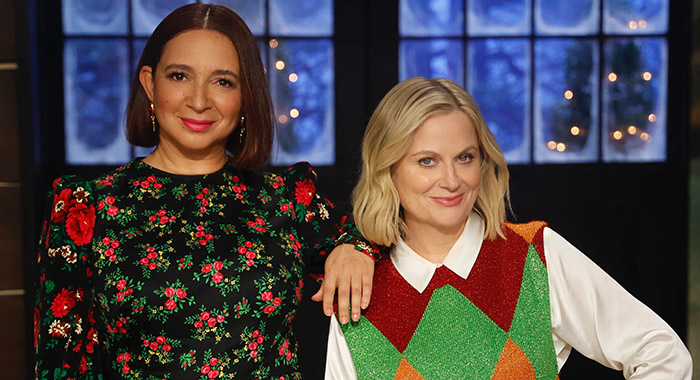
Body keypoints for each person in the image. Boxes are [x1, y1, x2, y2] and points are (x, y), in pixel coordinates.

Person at [34, 4, 377, 380]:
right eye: (179, 76)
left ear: (246, 95)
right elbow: (61, 364)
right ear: (150, 83)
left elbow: (390, 233)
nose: (199, 101)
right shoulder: (88, 207)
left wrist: (355, 246)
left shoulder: (285, 200)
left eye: (223, 81)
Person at [324, 77, 692, 379]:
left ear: (482, 162)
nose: (451, 180)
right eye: (427, 161)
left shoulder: (534, 255)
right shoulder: (359, 288)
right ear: (388, 170)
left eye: (465, 158)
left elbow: (662, 353)